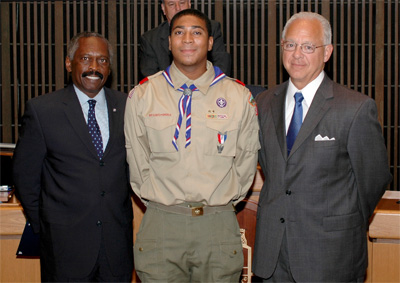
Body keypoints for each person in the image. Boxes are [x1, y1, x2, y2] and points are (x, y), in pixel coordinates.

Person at [254, 12, 392, 282]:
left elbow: (374, 180)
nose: (297, 55)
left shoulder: (354, 108)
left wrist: (343, 224)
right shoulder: (263, 103)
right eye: (290, 45)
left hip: (330, 256)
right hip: (272, 257)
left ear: (327, 52)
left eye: (308, 47)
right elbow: (272, 170)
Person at [125, 9, 259, 282]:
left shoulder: (238, 96)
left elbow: (246, 165)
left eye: (197, 32)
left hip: (217, 225)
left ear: (210, 43)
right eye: (179, 32)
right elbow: (138, 164)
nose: (187, 39)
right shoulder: (143, 96)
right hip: (162, 223)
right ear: (169, 42)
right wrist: (162, 203)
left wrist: (222, 205)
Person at [12, 32, 133, 282]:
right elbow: (25, 177)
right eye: (85, 58)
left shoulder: (127, 107)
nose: (94, 67)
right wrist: (47, 226)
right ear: (69, 63)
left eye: (102, 60)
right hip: (63, 248)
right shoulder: (43, 110)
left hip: (116, 248)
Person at [139, 0, 231, 78]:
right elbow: (151, 79)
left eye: (182, 3)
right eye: (171, 4)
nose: (178, 8)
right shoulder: (150, 39)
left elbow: (221, 66)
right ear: (163, 8)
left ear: (189, 4)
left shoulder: (210, 28)